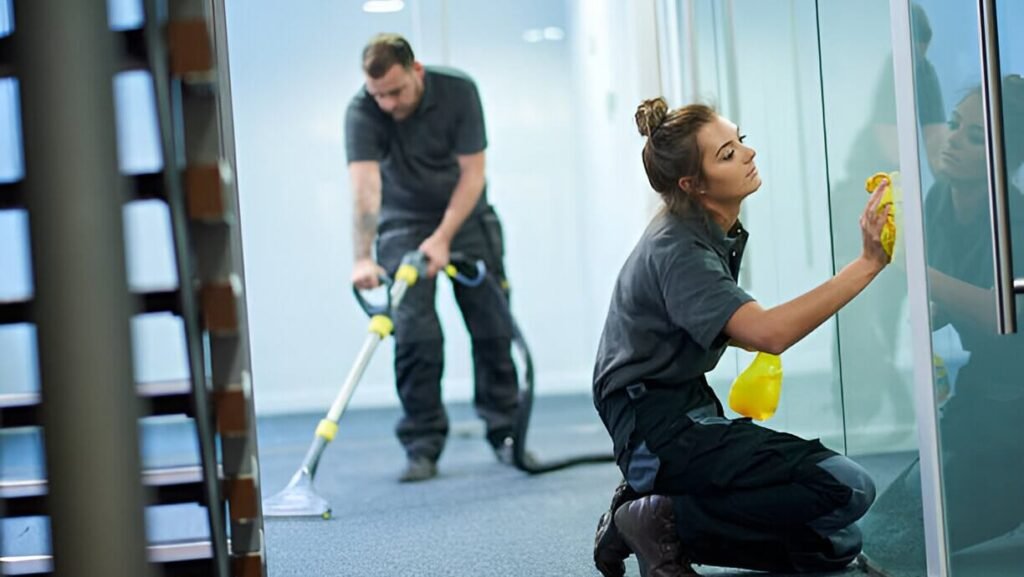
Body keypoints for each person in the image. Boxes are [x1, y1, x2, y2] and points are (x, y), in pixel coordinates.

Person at [590, 97, 892, 576]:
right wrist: (869, 263)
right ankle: (656, 518)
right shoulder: (679, 249)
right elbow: (768, 334)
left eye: (741, 142)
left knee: (837, 542)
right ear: (693, 184)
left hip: (682, 401)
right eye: (727, 154)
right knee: (847, 489)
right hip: (652, 419)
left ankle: (656, 504)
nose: (748, 155)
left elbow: (718, 323)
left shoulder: (707, 228)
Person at [863, 75, 1024, 571]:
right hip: (977, 405)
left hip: (1015, 420)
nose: (952, 140)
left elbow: (1001, 315)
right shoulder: (937, 203)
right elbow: (940, 307)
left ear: (1005, 156)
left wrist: (915, 268)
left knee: (912, 541)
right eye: (955, 126)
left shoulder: (1015, 217)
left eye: (974, 136)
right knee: (874, 531)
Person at [344, 33, 522, 483]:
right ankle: (422, 443)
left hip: (467, 217)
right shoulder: (362, 111)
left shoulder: (458, 91)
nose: (387, 104)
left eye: (396, 91)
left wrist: (444, 237)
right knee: (415, 336)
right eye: (377, 94)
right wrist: (362, 257)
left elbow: (473, 174)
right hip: (403, 222)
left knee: (492, 326)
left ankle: (505, 432)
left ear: (416, 70)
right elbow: (366, 192)